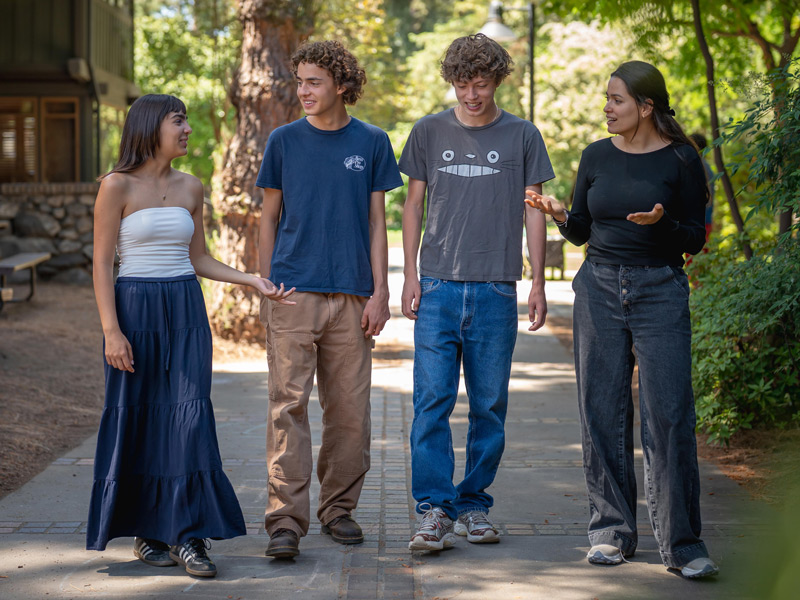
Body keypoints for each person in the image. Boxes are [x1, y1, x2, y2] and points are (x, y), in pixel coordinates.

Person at [87, 94, 295, 578]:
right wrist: (111, 331)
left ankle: (189, 536)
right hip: (134, 309)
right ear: (150, 127)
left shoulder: (191, 186)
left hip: (184, 308)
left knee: (188, 419)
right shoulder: (115, 186)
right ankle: (147, 532)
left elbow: (197, 259)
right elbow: (101, 262)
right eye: (177, 121)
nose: (187, 130)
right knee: (137, 418)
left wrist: (251, 279)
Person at [526, 61, 719, 579]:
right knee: (602, 411)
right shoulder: (595, 155)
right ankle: (610, 530)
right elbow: (584, 228)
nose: (607, 108)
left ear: (646, 107)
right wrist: (560, 215)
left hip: (659, 288)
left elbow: (697, 239)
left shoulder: (682, 159)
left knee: (670, 414)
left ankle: (682, 544)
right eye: (607, 99)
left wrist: (665, 225)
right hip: (599, 288)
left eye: (616, 100)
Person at [399, 33, 554, 551]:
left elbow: (534, 206)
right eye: (463, 85)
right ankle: (433, 510)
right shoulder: (428, 131)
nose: (471, 95)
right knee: (432, 403)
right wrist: (410, 275)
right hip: (439, 286)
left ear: (497, 81)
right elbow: (412, 205)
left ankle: (473, 504)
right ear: (452, 82)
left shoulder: (523, 135)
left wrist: (536, 280)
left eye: (481, 84)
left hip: (495, 288)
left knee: (489, 406)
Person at [256, 40, 403, 559]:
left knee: (350, 413)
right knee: (287, 409)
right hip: (293, 292)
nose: (304, 92)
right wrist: (265, 284)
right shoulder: (283, 141)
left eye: (313, 81)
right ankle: (285, 521)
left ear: (341, 84)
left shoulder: (373, 141)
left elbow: (377, 223)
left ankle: (338, 510)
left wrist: (380, 291)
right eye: (299, 82)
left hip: (351, 296)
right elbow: (268, 218)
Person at [689, 132, 715, 239]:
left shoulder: (699, 166)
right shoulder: (705, 166)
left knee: (696, 254)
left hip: (698, 222)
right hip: (703, 221)